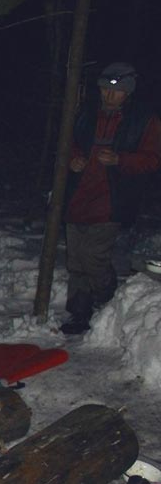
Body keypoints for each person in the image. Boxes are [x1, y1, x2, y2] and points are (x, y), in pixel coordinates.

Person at [61, 62, 161, 334]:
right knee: (76, 261)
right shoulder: (86, 113)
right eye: (105, 89)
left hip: (111, 199)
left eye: (115, 91)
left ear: (128, 92)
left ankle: (109, 300)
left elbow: (153, 160)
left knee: (94, 257)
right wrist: (74, 160)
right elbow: (69, 143)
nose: (109, 95)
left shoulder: (143, 120)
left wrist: (121, 159)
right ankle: (79, 313)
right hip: (78, 195)